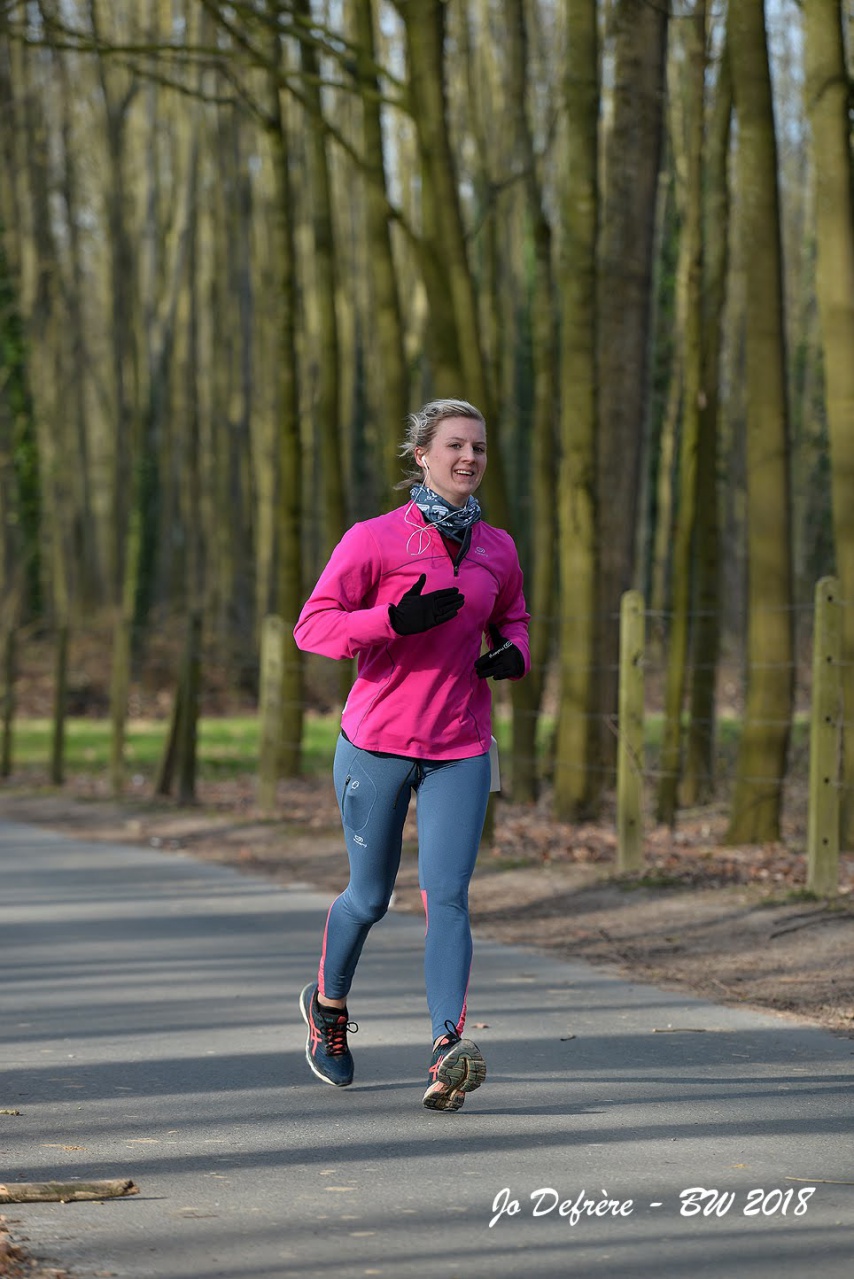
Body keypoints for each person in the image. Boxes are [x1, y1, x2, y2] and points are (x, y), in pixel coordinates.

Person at [293, 398, 530, 1111]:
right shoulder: (373, 539)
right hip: (377, 743)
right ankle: (328, 1009)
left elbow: (513, 616)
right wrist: (389, 620)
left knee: (448, 896)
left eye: (478, 447)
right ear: (422, 454)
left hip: (461, 743)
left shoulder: (498, 547)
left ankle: (446, 1047)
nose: (469, 458)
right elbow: (314, 626)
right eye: (455, 445)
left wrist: (514, 653)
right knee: (369, 897)